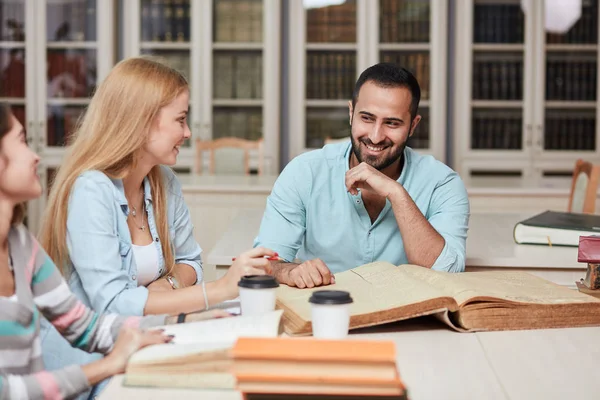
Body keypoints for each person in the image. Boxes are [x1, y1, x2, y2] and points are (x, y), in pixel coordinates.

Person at [38, 57, 274, 398]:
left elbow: (192, 262)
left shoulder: (164, 182)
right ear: (144, 122)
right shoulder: (91, 190)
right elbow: (112, 303)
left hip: (146, 339)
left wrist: (162, 288)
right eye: (180, 119)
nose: (188, 132)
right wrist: (220, 289)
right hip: (90, 364)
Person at [0, 102, 215, 399]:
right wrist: (109, 365)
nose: (36, 155)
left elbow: (83, 325)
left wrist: (183, 321)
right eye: (22, 141)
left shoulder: (21, 246)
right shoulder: (92, 189)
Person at [255, 63, 470, 288]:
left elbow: (448, 273)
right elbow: (265, 263)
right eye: (367, 118)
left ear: (413, 126)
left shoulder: (443, 184)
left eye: (392, 123)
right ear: (351, 113)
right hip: (324, 311)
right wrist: (291, 271)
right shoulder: (304, 172)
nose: (376, 137)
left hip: (406, 320)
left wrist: (396, 193)